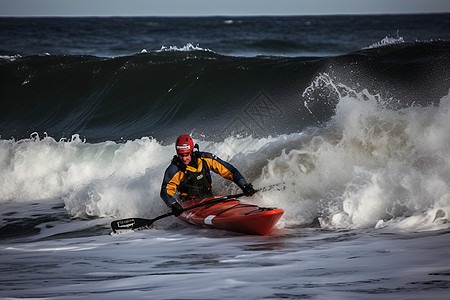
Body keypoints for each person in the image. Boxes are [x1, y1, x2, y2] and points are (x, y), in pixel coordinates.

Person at [160, 134, 256, 217]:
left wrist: (244, 186)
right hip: (189, 205)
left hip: (209, 199)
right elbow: (165, 190)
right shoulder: (174, 170)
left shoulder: (206, 159)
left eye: (186, 155)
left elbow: (230, 171)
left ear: (192, 151)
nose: (184, 159)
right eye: (181, 155)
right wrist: (174, 205)